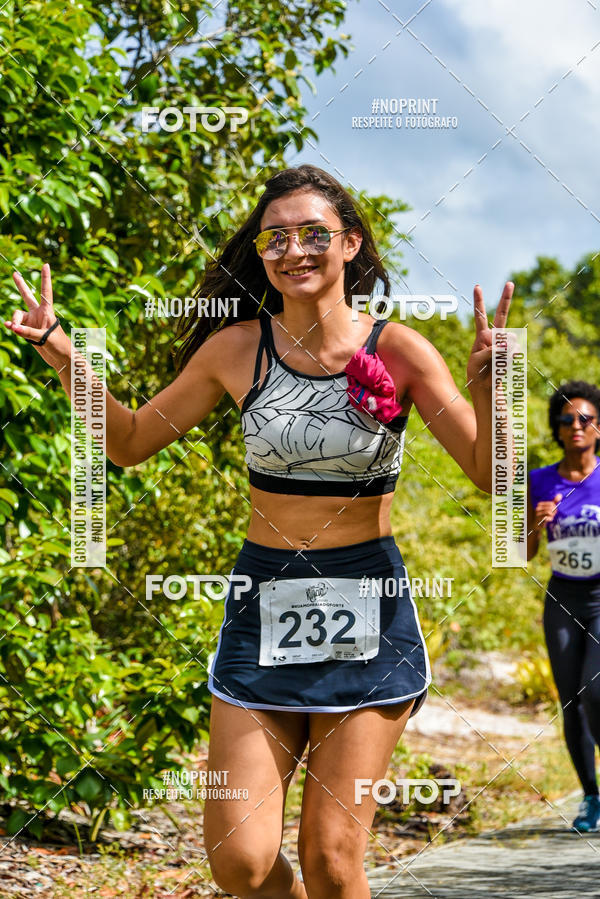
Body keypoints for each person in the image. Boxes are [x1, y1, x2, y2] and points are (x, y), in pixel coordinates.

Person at [5, 164, 513, 898]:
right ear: (261, 251)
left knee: (334, 861)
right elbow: (128, 441)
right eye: (275, 237)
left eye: (313, 234)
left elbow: (492, 475)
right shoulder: (237, 349)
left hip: (367, 611)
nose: (293, 249)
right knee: (239, 862)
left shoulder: (401, 349)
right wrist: (63, 353)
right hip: (262, 606)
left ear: (349, 245)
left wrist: (491, 391)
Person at [528, 380, 600, 834]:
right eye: (566, 420)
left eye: (585, 419)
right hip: (563, 597)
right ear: (557, 429)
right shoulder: (538, 480)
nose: (575, 426)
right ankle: (591, 798)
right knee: (571, 702)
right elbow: (519, 553)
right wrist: (534, 525)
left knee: (596, 693)